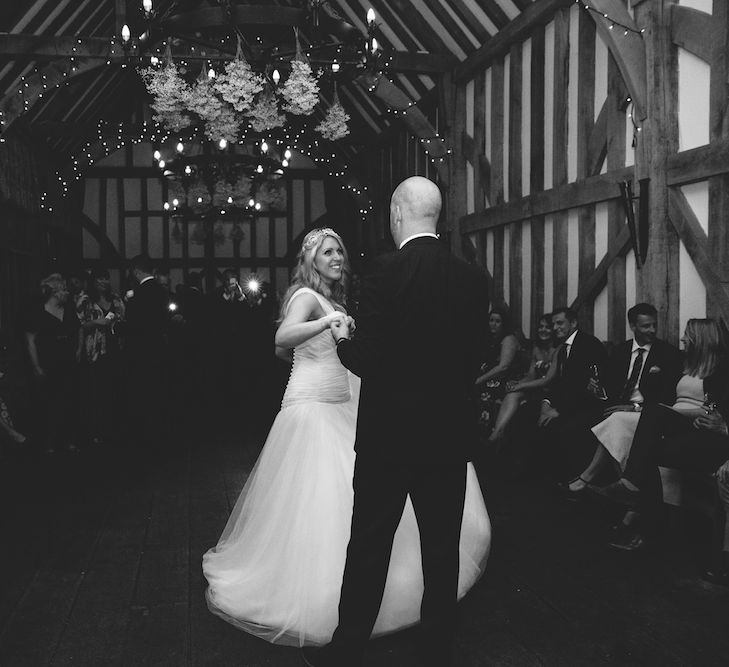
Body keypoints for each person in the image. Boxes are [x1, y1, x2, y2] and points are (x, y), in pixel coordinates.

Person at [202, 224, 491, 656]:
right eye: (327, 253)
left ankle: (354, 619)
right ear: (310, 261)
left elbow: (302, 351)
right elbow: (281, 339)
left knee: (353, 514)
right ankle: (312, 596)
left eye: (339, 251)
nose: (337, 258)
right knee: (317, 503)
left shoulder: (340, 298)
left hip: (341, 401)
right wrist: (325, 325)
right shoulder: (306, 297)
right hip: (312, 407)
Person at [306, 176, 492, 667]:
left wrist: (344, 339)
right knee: (440, 546)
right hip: (448, 436)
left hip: (389, 438)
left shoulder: (383, 273)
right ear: (438, 215)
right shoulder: (474, 279)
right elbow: (474, 357)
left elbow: (369, 360)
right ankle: (436, 648)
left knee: (369, 542)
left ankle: (347, 649)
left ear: (396, 214)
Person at [590, 318, 729, 553]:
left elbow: (713, 410)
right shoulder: (688, 365)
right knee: (650, 430)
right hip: (690, 427)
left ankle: (639, 509)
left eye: (688, 335)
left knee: (648, 447)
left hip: (711, 438)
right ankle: (637, 500)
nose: (683, 339)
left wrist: (719, 422)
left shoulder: (722, 369)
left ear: (702, 339)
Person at [563, 303, 683, 497]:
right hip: (615, 406)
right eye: (646, 326)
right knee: (575, 425)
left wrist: (635, 407)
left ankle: (602, 486)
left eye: (654, 325)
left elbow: (668, 397)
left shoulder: (668, 353)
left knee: (614, 423)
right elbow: (609, 388)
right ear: (633, 326)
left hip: (645, 411)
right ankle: (622, 496)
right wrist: (596, 389)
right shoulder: (620, 351)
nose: (652, 330)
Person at [537, 307, 609, 482]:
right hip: (568, 403)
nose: (555, 328)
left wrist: (559, 410)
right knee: (528, 414)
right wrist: (546, 403)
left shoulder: (589, 345)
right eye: (553, 324)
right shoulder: (563, 349)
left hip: (588, 405)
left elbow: (586, 386)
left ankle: (569, 481)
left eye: (560, 323)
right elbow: (559, 384)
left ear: (574, 323)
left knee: (562, 427)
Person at [24, 273, 82, 454]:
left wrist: (79, 350)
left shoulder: (69, 309)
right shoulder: (37, 312)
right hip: (49, 361)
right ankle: (49, 441)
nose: (67, 292)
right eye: (64, 289)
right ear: (55, 292)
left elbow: (78, 328)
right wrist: (36, 366)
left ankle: (67, 438)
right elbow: (30, 341)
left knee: (68, 400)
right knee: (49, 402)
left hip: (67, 360)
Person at [488, 312, 557, 443]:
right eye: (540, 327)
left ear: (553, 329)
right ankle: (497, 433)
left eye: (547, 327)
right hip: (536, 389)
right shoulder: (537, 349)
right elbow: (531, 374)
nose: (543, 330)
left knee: (518, 392)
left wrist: (521, 385)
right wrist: (517, 383)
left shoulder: (558, 350)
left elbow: (548, 380)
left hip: (551, 393)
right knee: (512, 393)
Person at [78, 268, 125, 445]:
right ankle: (97, 430)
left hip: (116, 347)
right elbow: (79, 325)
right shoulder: (86, 300)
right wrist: (98, 322)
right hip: (95, 351)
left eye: (106, 278)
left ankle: (114, 427)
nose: (104, 281)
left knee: (115, 388)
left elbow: (124, 319)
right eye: (100, 278)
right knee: (97, 390)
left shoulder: (116, 299)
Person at [474, 306, 523, 439]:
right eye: (491, 320)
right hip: (490, 379)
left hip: (504, 379)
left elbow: (503, 367)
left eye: (498, 321)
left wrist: (479, 380)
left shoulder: (508, 339)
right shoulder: (490, 339)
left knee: (484, 396)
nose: (493, 324)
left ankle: (492, 436)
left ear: (504, 323)